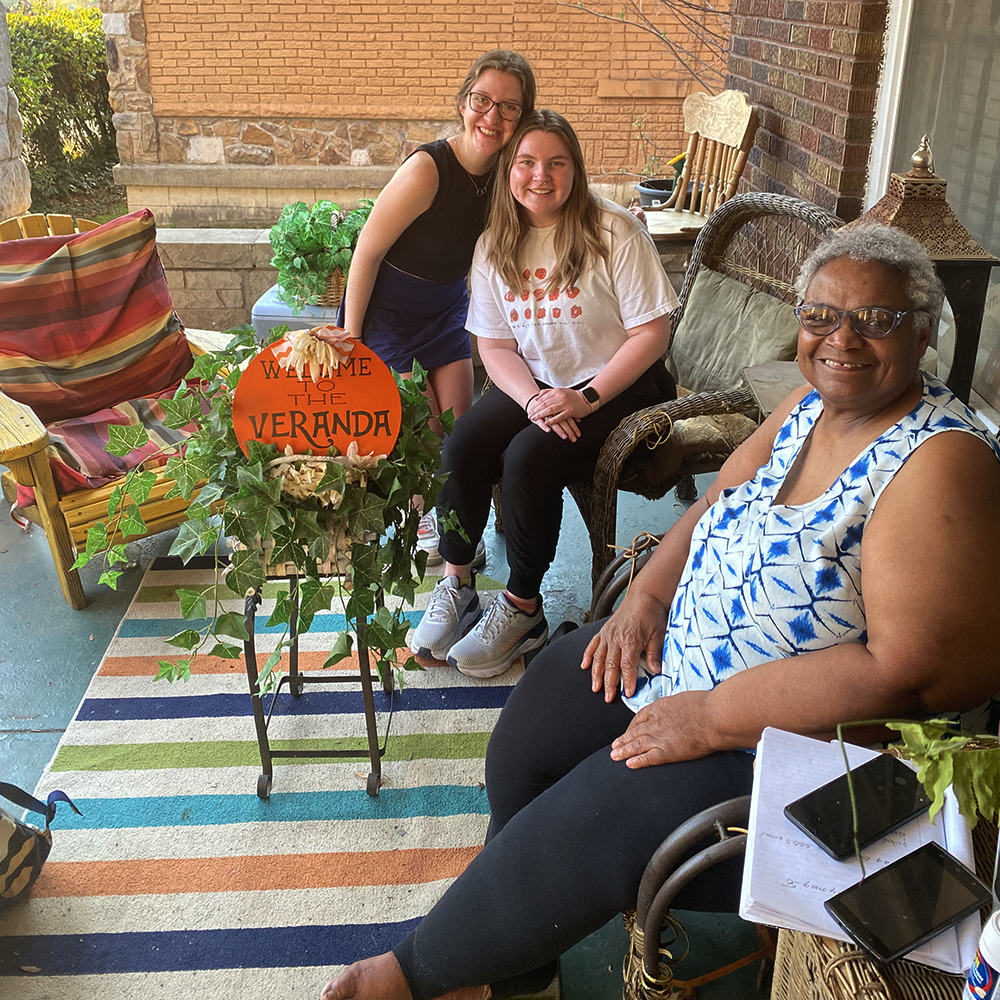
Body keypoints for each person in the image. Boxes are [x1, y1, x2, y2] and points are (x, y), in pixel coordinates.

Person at [321, 223, 1000, 1000]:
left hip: (802, 751)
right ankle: (513, 952)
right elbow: (715, 500)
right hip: (685, 670)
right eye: (820, 314)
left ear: (922, 331)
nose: (840, 337)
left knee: (600, 810)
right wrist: (643, 599)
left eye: (874, 319)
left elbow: (912, 675)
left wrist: (712, 717)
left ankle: (414, 977)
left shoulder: (939, 460)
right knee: (534, 725)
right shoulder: (811, 407)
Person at [410, 110, 678, 678]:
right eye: (527, 162)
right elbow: (495, 345)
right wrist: (532, 399)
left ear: (575, 170)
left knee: (527, 458)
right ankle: (458, 583)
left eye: (557, 163)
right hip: (537, 378)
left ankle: (522, 609)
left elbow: (652, 335)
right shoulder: (494, 244)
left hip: (619, 382)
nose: (541, 175)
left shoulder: (613, 231)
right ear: (509, 168)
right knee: (463, 447)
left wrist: (586, 397)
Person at [318, 50, 536, 566]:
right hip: (390, 315)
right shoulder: (427, 168)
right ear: (463, 103)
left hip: (445, 312)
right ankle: (423, 525)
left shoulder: (509, 174)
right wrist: (353, 333)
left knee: (462, 432)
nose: (492, 117)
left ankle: (457, 526)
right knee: (424, 432)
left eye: (508, 108)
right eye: (482, 101)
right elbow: (367, 251)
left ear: (522, 119)